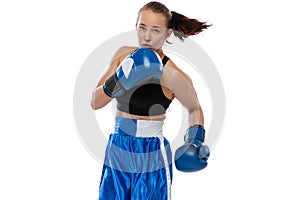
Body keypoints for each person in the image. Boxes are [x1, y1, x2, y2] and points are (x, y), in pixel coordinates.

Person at [91, 1, 211, 199]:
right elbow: (95, 102)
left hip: (151, 153)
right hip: (118, 147)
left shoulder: (172, 74)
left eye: (156, 30)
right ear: (136, 26)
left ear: (168, 33)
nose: (147, 37)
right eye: (142, 28)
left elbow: (194, 108)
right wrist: (119, 80)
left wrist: (195, 140)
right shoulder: (123, 56)